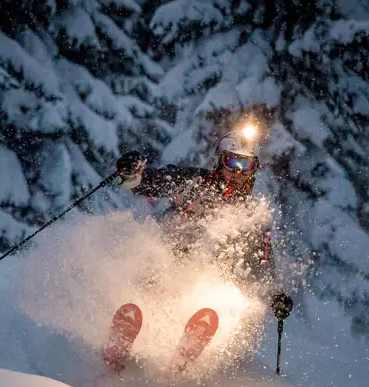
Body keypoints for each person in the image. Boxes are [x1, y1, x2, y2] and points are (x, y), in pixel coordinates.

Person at [114, 133, 294, 322]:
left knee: (227, 278)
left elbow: (262, 264)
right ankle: (136, 313)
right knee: (164, 251)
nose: (238, 172)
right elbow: (157, 181)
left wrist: (275, 296)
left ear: (253, 170)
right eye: (233, 163)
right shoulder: (196, 182)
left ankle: (195, 331)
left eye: (246, 165)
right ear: (221, 161)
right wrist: (134, 176)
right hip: (165, 257)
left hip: (202, 277)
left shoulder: (250, 216)